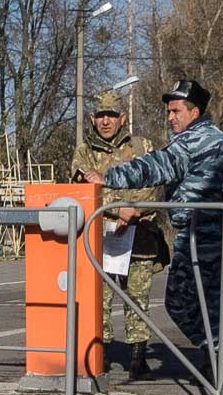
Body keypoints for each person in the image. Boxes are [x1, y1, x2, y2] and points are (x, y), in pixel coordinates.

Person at [84, 80, 223, 374]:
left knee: (179, 301)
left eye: (175, 111)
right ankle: (219, 362)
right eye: (169, 111)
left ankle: (215, 350)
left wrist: (107, 177)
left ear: (194, 112)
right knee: (214, 301)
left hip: (198, 234)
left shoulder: (190, 143)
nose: (170, 117)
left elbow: (154, 167)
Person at [71, 90, 167, 380]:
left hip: (139, 233)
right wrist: (116, 211)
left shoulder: (142, 146)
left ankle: (138, 358)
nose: (105, 121)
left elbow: (155, 181)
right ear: (92, 118)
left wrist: (132, 209)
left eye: (111, 115)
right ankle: (103, 354)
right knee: (98, 299)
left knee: (137, 296)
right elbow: (82, 191)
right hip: (101, 234)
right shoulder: (84, 152)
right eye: (100, 115)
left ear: (122, 118)